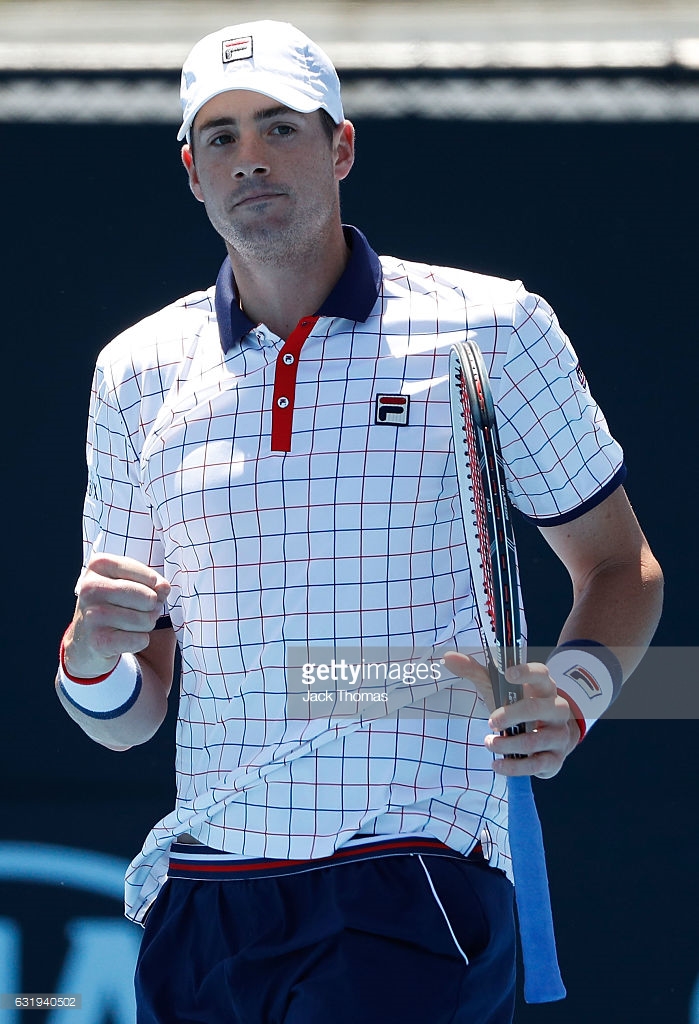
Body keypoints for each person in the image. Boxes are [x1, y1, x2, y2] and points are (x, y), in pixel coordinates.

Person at [55, 19, 663, 1024]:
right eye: (220, 137)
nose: (250, 158)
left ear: (340, 146)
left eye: (280, 127)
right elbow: (130, 711)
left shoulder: (494, 327)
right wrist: (92, 658)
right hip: (206, 894)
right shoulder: (134, 374)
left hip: (414, 868)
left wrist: (580, 689)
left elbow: (621, 565)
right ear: (192, 173)